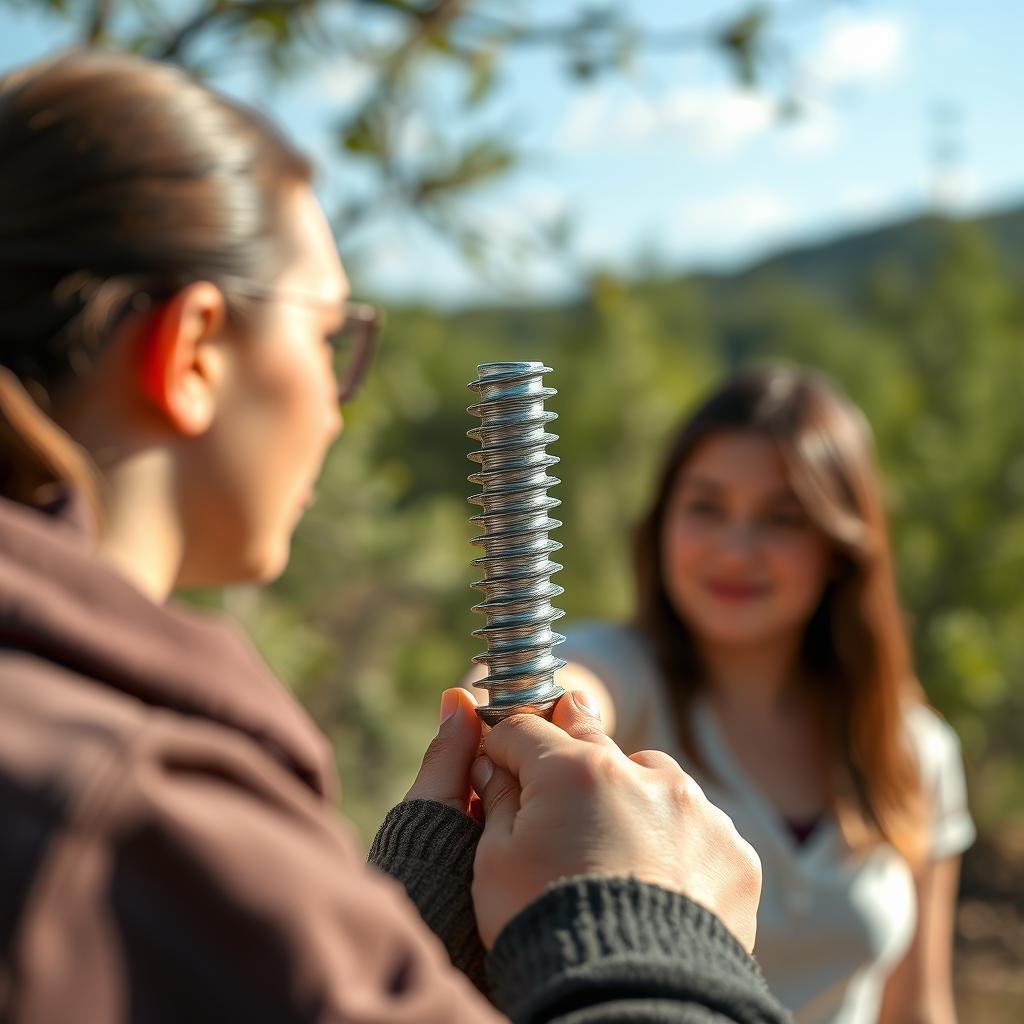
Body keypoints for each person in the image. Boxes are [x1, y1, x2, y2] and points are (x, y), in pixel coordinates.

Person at [0, 50, 789, 1023]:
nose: (336, 405)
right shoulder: (132, 813)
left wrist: (391, 922)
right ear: (194, 349)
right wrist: (651, 934)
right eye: (329, 336)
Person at [556, 366, 976, 1023]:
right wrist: (520, 703)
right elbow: (559, 688)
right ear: (662, 522)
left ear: (839, 547)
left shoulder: (912, 750)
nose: (735, 549)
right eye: (706, 507)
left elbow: (920, 1006)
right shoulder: (629, 684)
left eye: (782, 519)